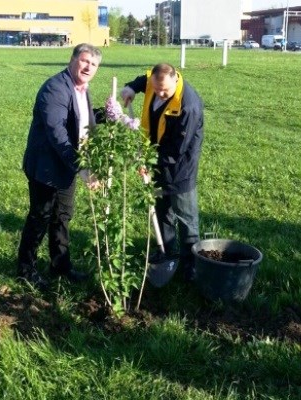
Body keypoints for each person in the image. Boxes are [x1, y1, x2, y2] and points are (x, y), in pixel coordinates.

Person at [17, 43, 102, 289]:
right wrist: (83, 168)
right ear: (73, 59)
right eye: (85, 61)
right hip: (46, 166)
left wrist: (107, 115)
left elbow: (83, 121)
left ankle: (60, 266)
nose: (88, 67)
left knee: (62, 216)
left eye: (93, 64)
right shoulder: (55, 89)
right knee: (40, 217)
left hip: (66, 166)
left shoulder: (82, 89)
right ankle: (25, 269)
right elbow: (58, 134)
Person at [120, 63, 204, 281]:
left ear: (176, 79)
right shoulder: (154, 82)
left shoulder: (188, 106)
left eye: (164, 90)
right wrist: (131, 87)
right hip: (155, 162)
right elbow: (143, 80)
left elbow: (177, 150)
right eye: (156, 89)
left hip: (179, 168)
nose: (159, 93)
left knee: (186, 218)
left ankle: (190, 263)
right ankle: (166, 251)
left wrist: (147, 161)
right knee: (161, 210)